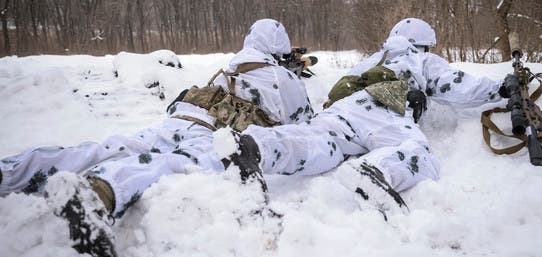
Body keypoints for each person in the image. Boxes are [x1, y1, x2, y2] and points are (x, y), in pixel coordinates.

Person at [0, 18, 314, 257]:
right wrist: (294, 74)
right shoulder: (281, 78)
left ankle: (14, 171)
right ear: (282, 49)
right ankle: (99, 192)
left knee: (109, 148)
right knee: (169, 166)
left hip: (178, 120)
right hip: (208, 135)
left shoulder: (232, 65)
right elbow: (307, 127)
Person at [223, 18, 503, 218]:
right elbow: (456, 85)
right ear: (423, 45)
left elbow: (340, 88)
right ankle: (378, 171)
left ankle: (256, 147)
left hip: (344, 109)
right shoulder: (420, 59)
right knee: (420, 153)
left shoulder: (372, 60)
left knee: (322, 143)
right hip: (385, 110)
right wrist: (502, 88)